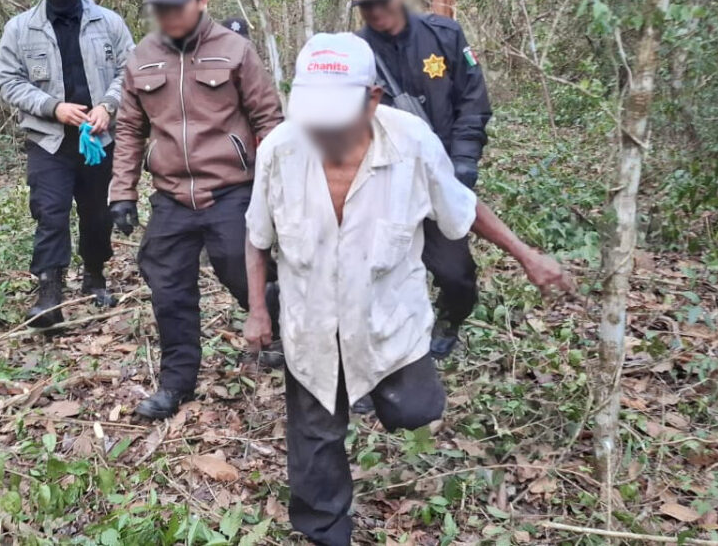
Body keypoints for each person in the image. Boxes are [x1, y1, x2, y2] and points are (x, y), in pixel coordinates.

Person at [243, 33, 573, 546]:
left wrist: (527, 255)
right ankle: (326, 529)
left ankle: (376, 386)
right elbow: (257, 234)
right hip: (311, 324)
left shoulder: (411, 144)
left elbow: (462, 208)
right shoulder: (280, 151)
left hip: (388, 322)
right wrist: (258, 314)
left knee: (416, 408)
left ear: (372, 99)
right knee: (315, 435)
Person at [110, 0, 284, 419]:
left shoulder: (235, 50)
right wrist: (121, 192)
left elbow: (269, 119)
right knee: (168, 290)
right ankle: (177, 383)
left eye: (178, 6)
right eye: (159, 8)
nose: (169, 17)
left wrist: (272, 188)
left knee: (243, 274)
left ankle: (279, 326)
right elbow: (129, 128)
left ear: (202, 1)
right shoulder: (142, 57)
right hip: (171, 197)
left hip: (230, 190)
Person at [351, 0, 492, 360]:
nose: (376, 11)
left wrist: (464, 158)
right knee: (377, 276)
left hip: (440, 177)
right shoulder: (355, 53)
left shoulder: (444, 36)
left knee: (456, 274)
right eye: (366, 4)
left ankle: (450, 317)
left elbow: (473, 101)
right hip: (384, 184)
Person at [0, 0, 135, 329]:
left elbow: (130, 70)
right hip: (49, 140)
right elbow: (8, 80)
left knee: (97, 215)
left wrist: (108, 105)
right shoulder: (21, 29)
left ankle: (94, 275)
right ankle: (49, 293)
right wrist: (52, 107)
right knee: (50, 211)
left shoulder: (108, 24)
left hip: (98, 138)